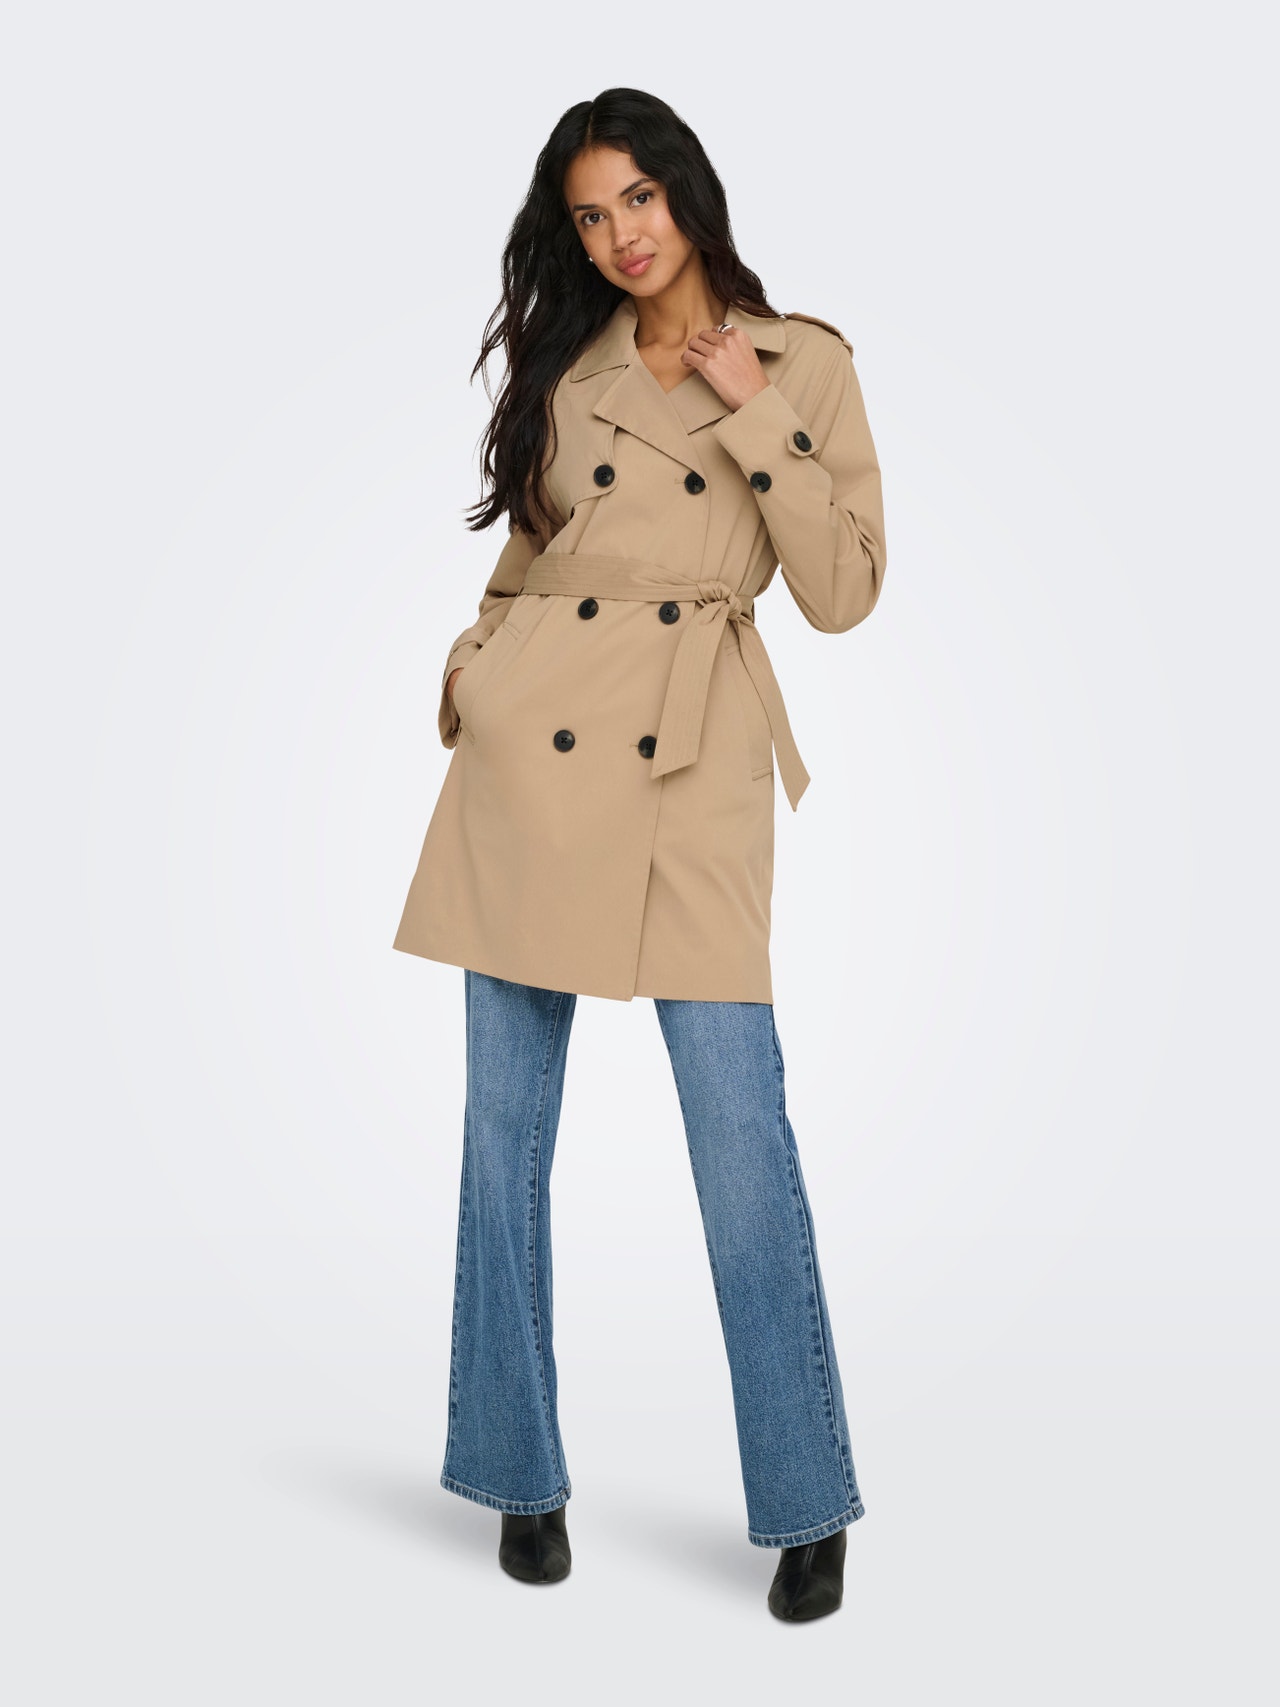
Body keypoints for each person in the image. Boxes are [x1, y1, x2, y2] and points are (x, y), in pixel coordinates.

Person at [392, 87, 887, 1622]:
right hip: (525, 771)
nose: (619, 236)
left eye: (638, 200)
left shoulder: (805, 362)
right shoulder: (573, 367)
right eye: (590, 215)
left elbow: (846, 591)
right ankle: (516, 1474)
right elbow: (531, 553)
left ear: (688, 191)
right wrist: (474, 673)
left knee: (742, 1141)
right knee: (502, 1141)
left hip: (691, 764)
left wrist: (751, 409)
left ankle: (806, 1500)